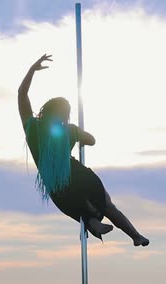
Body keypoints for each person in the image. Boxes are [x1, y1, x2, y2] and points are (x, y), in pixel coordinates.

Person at [18, 53, 149, 247]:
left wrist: (31, 71)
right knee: (107, 205)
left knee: (78, 207)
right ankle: (135, 235)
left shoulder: (33, 130)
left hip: (57, 183)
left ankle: (93, 223)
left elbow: (22, 94)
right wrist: (81, 140)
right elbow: (92, 140)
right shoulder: (69, 130)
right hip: (76, 173)